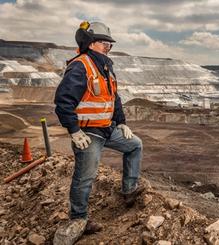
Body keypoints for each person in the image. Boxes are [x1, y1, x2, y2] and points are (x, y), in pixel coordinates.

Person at [53, 21, 143, 245]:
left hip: (108, 129)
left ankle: (129, 190)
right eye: (104, 43)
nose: (108, 47)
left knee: (135, 145)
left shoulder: (105, 67)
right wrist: (74, 131)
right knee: (85, 177)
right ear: (91, 44)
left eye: (109, 44)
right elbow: (63, 101)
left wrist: (121, 122)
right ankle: (79, 219)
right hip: (88, 134)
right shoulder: (80, 66)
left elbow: (114, 98)